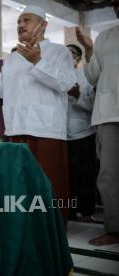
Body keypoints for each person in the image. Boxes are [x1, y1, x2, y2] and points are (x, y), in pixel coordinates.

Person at [0, 5, 77, 221]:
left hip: (46, 128)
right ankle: (26, 226)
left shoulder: (59, 51)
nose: (21, 25)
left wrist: (38, 61)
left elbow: (66, 83)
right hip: (16, 126)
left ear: (43, 25)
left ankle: (55, 227)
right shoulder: (13, 57)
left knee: (49, 182)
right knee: (20, 182)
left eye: (27, 20)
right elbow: (3, 91)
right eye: (18, 22)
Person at [76, 0, 119, 245]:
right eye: (115, 3)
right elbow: (92, 76)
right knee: (110, 175)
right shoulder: (105, 36)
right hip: (109, 112)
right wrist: (89, 49)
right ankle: (114, 228)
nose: (117, 6)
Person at [65, 44, 97, 223]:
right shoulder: (55, 77)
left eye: (71, 54)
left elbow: (91, 106)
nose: (67, 56)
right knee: (67, 175)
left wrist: (77, 95)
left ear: (77, 59)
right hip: (61, 135)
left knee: (85, 175)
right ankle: (68, 211)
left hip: (83, 134)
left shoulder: (85, 77)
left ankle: (86, 212)